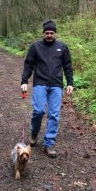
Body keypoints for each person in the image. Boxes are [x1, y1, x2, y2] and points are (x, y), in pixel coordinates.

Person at [21, 19, 74, 158]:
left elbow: (67, 66)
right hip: (40, 83)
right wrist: (24, 81)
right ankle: (34, 133)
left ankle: (49, 144)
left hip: (56, 85)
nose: (49, 35)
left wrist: (70, 83)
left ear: (55, 33)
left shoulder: (62, 47)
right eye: (47, 33)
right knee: (38, 110)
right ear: (43, 33)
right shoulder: (35, 47)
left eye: (51, 33)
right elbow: (28, 64)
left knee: (54, 114)